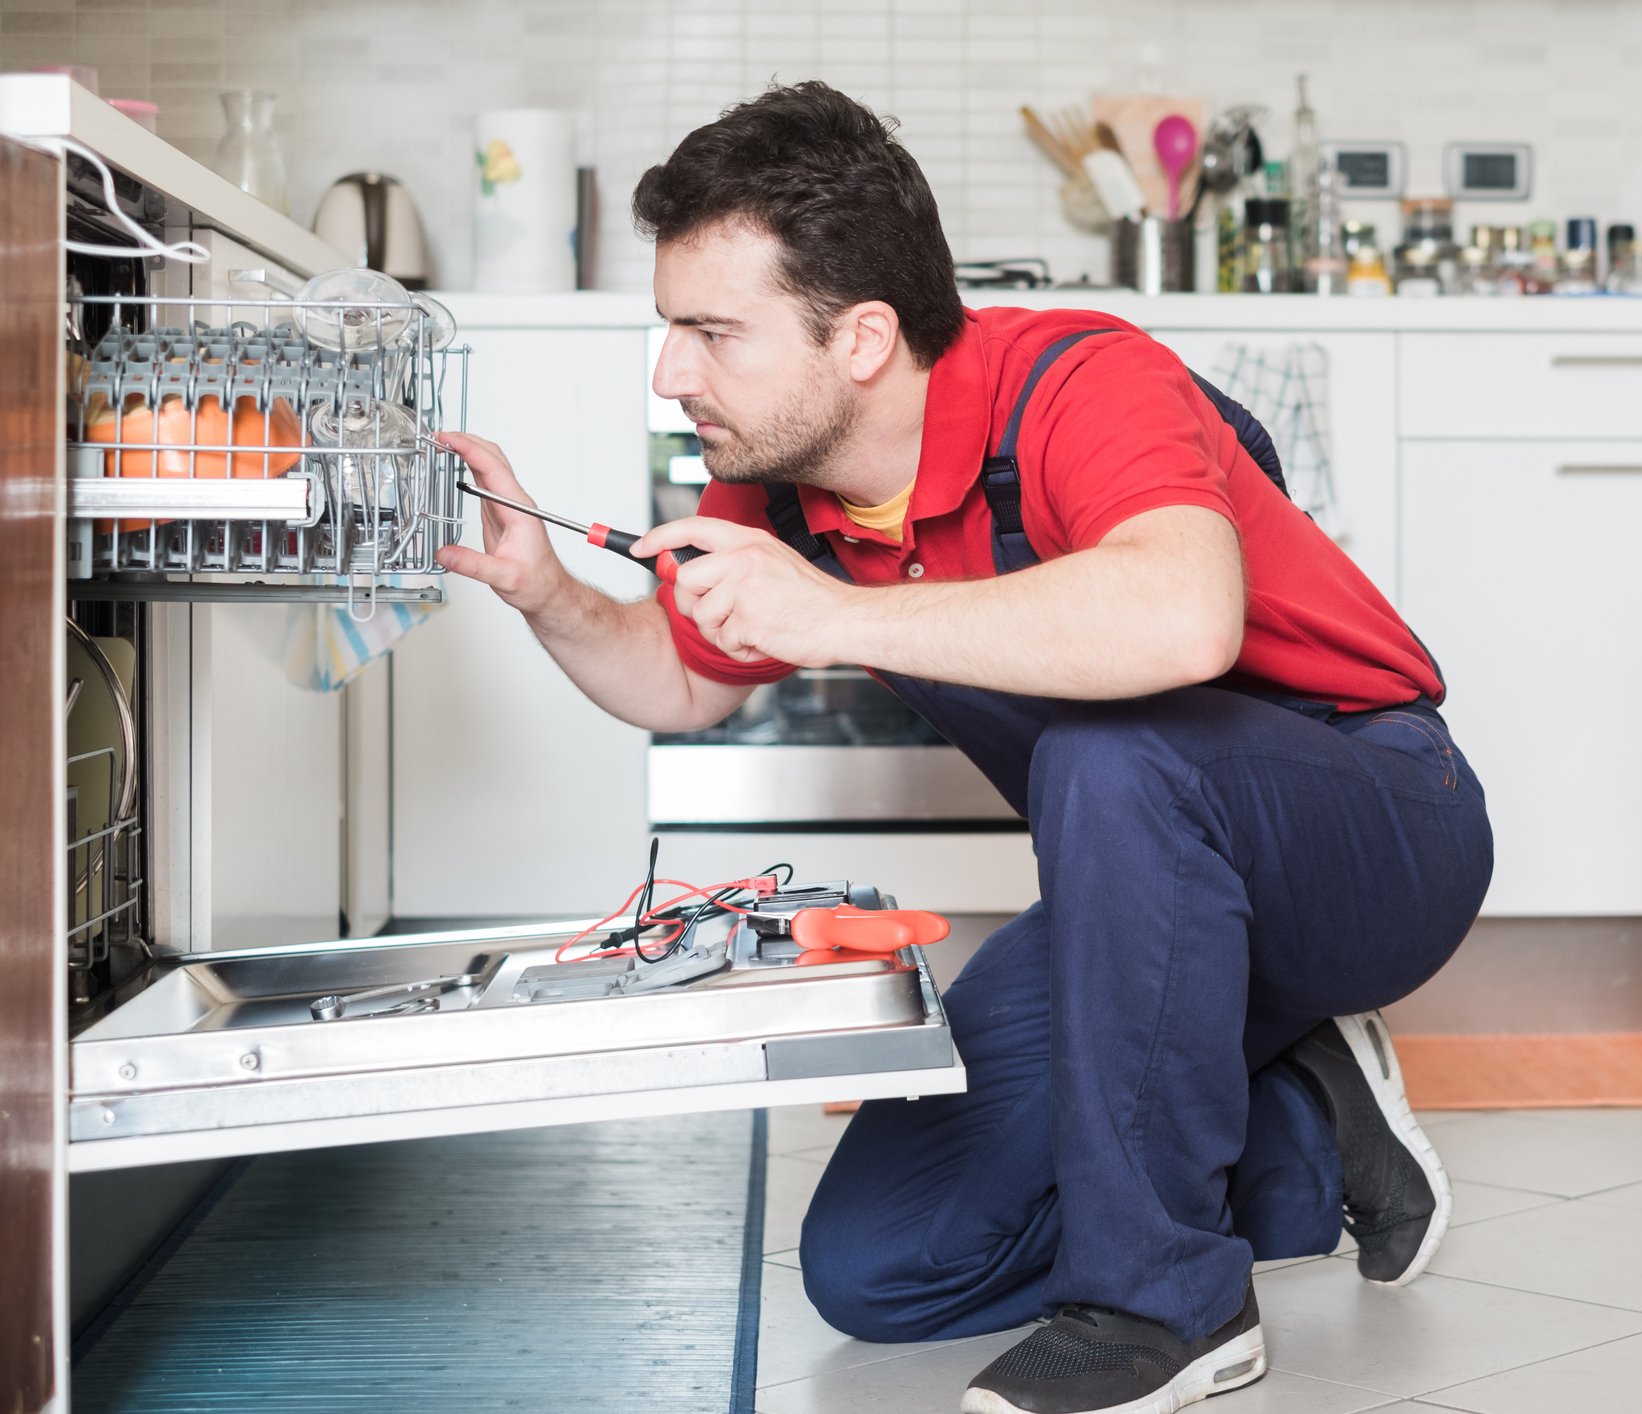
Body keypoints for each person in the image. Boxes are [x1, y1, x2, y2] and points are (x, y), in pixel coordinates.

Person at [437, 81, 1493, 1414]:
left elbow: (1179, 615)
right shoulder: (778, 475)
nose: (671, 372)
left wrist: (831, 608)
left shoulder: (1077, 379)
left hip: (1376, 832)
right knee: (878, 1266)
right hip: (1142, 902)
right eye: (669, 329)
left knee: (1114, 759)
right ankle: (1296, 1128)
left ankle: (1166, 1302)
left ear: (863, 336)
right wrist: (548, 592)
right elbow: (681, 681)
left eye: (711, 332)